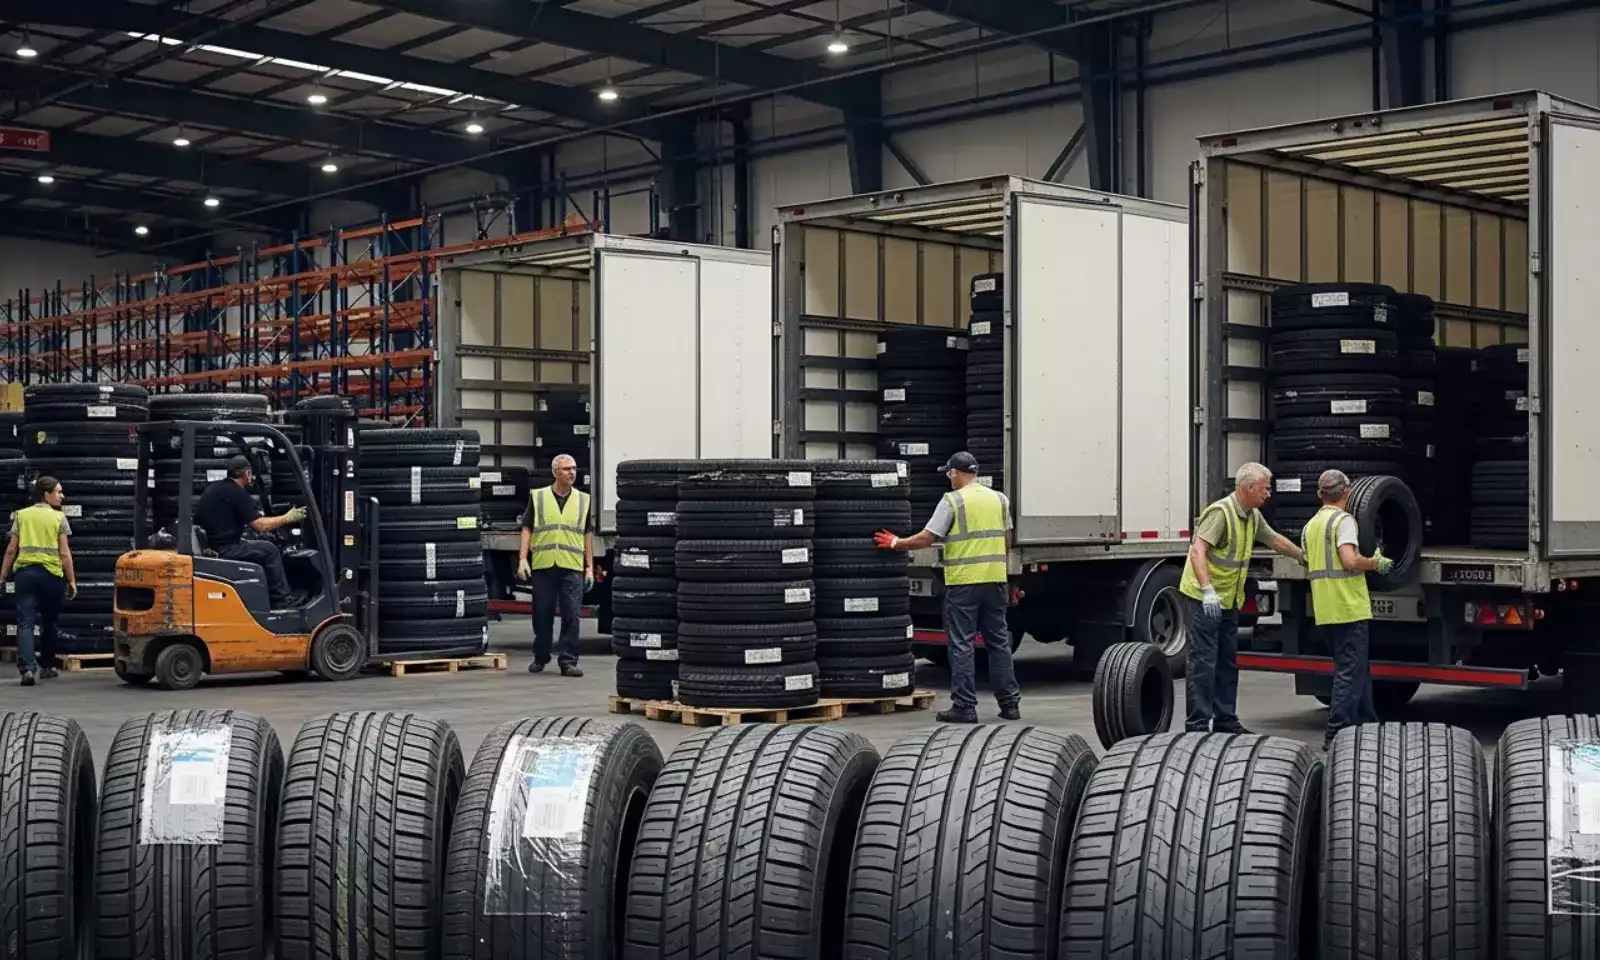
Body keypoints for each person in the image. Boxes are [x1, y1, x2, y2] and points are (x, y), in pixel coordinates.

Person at [874, 451, 1021, 724]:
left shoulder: (953, 500)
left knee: (961, 644)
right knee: (999, 643)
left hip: (964, 582)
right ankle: (1010, 705)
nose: (948, 477)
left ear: (956, 472)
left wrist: (897, 543)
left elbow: (928, 538)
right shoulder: (999, 499)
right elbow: (1007, 539)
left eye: (949, 473)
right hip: (995, 581)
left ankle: (964, 707)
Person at [1179, 461, 1306, 734]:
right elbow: (1197, 552)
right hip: (1206, 599)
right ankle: (1198, 725)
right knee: (1203, 662)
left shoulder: (1252, 516)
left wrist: (1301, 555)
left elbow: (1274, 540)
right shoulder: (1220, 513)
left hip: (1229, 601)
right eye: (1265, 488)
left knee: (1227, 662)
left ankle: (1225, 719)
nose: (1268, 494)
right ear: (1249, 487)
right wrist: (1207, 591)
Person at [1303, 469, 1393, 747]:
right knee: (1349, 671)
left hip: (1326, 608)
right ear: (1347, 492)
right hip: (1348, 607)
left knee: (1358, 669)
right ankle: (1337, 730)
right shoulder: (1343, 521)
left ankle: (1367, 723)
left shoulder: (1311, 526)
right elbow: (1349, 560)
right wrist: (1375, 562)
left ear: (1320, 494)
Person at [518, 454, 595, 678]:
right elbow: (527, 528)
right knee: (542, 614)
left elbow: (587, 534)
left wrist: (589, 566)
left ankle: (568, 661)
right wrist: (523, 558)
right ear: (555, 473)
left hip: (571, 566)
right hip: (544, 566)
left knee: (572, 614)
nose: (572, 473)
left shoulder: (583, 499)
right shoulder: (539, 497)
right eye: (566, 469)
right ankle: (541, 656)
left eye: (574, 468)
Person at [195, 455, 306, 608]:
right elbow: (261, 526)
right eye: (250, 473)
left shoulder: (213, 489)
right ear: (246, 474)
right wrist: (287, 518)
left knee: (261, 544)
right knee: (270, 550)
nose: (252, 477)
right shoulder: (237, 493)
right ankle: (283, 600)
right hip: (227, 548)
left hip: (214, 545)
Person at [0, 476, 76, 686]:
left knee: (25, 622)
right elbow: (64, 553)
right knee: (49, 621)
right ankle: (47, 667)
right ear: (46, 494)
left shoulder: (21, 516)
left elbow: (11, 550)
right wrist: (71, 580)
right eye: (58, 492)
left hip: (25, 575)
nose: (62, 496)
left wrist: (2, 577)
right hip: (51, 575)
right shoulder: (59, 518)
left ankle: (27, 669)